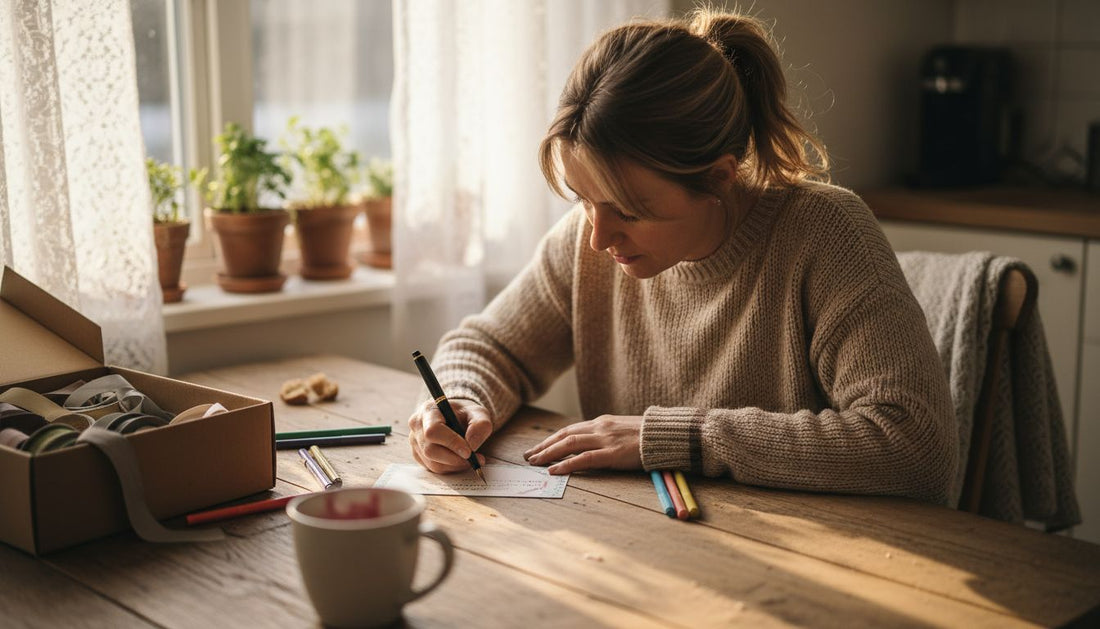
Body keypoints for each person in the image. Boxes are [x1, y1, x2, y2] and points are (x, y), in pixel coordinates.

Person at [406, 8, 957, 504]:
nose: (598, 237)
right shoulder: (588, 240)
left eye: (628, 209)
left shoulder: (826, 233)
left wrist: (675, 438)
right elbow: (490, 345)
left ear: (717, 178)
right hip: (661, 545)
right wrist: (459, 399)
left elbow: (913, 444)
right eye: (585, 200)